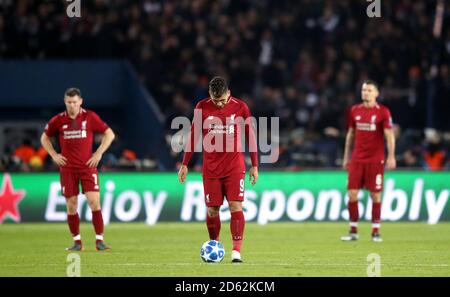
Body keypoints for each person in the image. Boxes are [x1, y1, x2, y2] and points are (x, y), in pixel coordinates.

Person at [178, 76, 259, 262]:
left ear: (229, 93)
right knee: (213, 210)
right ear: (210, 95)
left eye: (223, 100)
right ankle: (214, 245)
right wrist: (184, 163)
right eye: (216, 101)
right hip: (211, 168)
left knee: (235, 205)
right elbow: (193, 136)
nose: (220, 104)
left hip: (234, 166)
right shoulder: (201, 107)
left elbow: (250, 136)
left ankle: (236, 251)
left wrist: (254, 165)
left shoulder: (241, 107)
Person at [40, 88, 115, 251]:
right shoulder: (58, 120)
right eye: (69, 102)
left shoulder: (90, 117)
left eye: (74, 102)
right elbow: (44, 137)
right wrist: (54, 154)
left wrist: (99, 153)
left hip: (88, 167)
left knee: (94, 202)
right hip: (68, 169)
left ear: (80, 101)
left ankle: (99, 241)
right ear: (64, 102)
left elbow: (109, 134)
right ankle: (77, 242)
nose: (72, 105)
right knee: (71, 205)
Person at [341, 80, 396, 242]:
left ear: (376, 93)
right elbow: (350, 134)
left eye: (369, 90)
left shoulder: (383, 112)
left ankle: (375, 231)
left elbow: (389, 136)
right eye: (364, 90)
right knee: (352, 192)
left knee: (376, 195)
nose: (366, 93)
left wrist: (391, 156)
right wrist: (346, 156)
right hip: (357, 158)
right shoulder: (354, 110)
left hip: (375, 160)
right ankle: (353, 231)